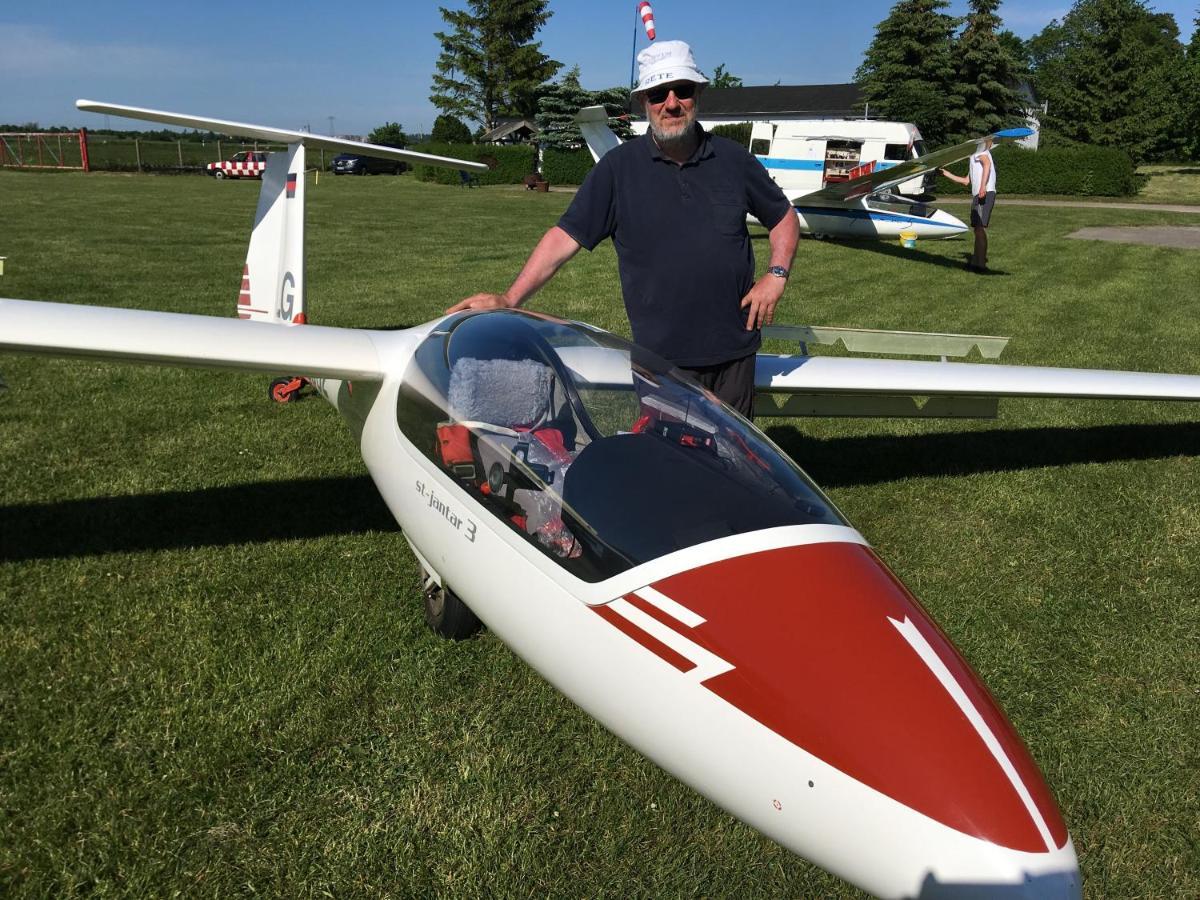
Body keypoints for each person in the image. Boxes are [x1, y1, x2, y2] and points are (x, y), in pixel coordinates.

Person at [448, 40, 799, 419]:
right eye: (657, 94)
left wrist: (776, 274)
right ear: (643, 102)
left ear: (697, 94)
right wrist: (511, 298)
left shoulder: (735, 161)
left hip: (734, 354)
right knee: (668, 470)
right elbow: (564, 237)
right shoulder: (618, 169)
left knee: (734, 470)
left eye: (681, 90)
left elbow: (783, 217)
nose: (670, 103)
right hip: (660, 361)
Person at [941, 137, 996, 273]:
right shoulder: (973, 157)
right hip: (979, 194)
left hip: (985, 192)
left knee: (980, 229)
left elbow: (987, 164)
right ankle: (975, 263)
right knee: (977, 229)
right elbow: (966, 181)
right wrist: (945, 173)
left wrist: (983, 187)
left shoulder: (979, 151)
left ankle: (981, 266)